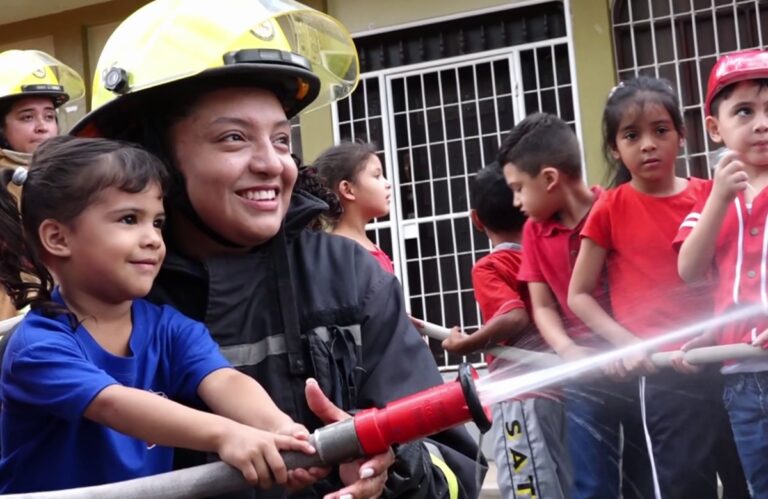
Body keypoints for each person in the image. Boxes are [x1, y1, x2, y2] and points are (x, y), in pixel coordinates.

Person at [72, 1, 484, 498]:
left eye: (283, 140)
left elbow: (456, 467)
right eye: (233, 138)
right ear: (152, 157)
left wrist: (395, 464)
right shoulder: (96, 304)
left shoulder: (350, 278)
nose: (273, 165)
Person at [0, 136, 317, 493]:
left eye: (158, 223)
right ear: (58, 238)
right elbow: (114, 404)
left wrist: (277, 428)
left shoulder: (169, 328)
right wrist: (228, 434)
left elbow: (225, 381)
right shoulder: (38, 347)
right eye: (130, 219)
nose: (153, 238)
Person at [566, 76, 728, 499]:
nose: (648, 145)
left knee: (743, 475)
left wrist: (715, 332)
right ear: (615, 148)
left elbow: (732, 272)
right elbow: (578, 293)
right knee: (682, 486)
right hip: (659, 372)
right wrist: (628, 344)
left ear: (682, 134)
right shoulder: (610, 207)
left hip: (725, 360)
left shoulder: (712, 195)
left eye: (661, 130)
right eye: (632, 135)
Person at [499, 112, 652, 499]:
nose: (516, 201)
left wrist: (626, 344)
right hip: (583, 376)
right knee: (592, 484)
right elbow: (544, 307)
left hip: (641, 369)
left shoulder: (617, 208)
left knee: (644, 480)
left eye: (518, 188)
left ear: (549, 179)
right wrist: (568, 350)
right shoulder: (534, 231)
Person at [442, 163, 572, 499]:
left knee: (526, 488)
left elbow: (513, 316)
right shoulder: (546, 258)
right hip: (562, 393)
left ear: (476, 219)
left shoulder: (490, 266)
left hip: (521, 398)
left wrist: (467, 342)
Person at [677, 48, 768, 497]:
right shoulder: (713, 199)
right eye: (744, 111)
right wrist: (717, 200)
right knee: (758, 482)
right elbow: (690, 269)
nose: (763, 123)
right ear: (715, 128)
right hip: (739, 376)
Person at [0, 49, 85, 321]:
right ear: (1, 128)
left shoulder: (79, 171)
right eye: (27, 117)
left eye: (49, 116)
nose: (42, 127)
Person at [314, 141, 394, 273]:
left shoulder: (365, 246)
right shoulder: (341, 255)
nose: (387, 184)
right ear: (348, 189)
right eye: (377, 176)